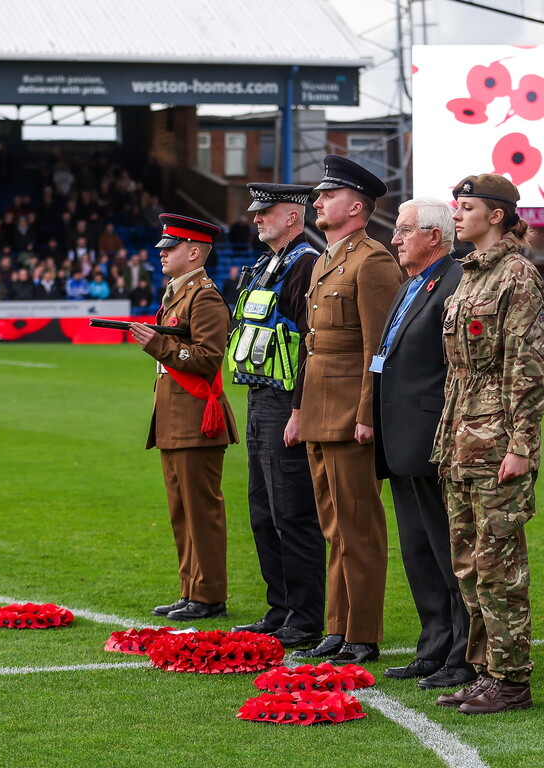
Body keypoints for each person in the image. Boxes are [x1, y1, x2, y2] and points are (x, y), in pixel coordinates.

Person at [433, 173, 544, 716]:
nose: (456, 215)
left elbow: (527, 368)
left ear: (497, 215)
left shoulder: (516, 277)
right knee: (467, 564)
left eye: (466, 207)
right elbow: (459, 372)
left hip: (498, 442)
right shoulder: (469, 277)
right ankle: (485, 672)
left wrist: (521, 446)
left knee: (498, 566)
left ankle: (511, 678)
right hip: (460, 440)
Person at [293, 155, 403, 665]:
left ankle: (362, 631)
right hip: (320, 413)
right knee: (334, 527)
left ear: (355, 206)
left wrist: (368, 415)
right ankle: (337, 628)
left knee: (358, 527)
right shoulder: (326, 258)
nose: (317, 202)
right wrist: (302, 412)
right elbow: (317, 347)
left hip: (350, 418)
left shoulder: (374, 261)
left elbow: (377, 350)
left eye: (327, 195)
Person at [373, 197, 473, 691]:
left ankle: (461, 653)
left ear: (434, 236)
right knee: (417, 548)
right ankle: (433, 645)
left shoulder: (454, 281)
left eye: (404, 229)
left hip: (432, 438)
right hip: (401, 438)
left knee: (446, 547)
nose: (395, 238)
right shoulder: (413, 282)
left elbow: (455, 365)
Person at [227, 183, 325, 649]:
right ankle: (280, 607)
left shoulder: (305, 264)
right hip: (259, 396)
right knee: (263, 512)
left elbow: (311, 343)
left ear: (292, 216)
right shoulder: (269, 264)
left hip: (285, 402)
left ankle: (304, 617)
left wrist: (300, 409)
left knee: (292, 512)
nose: (256, 219)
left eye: (265, 213)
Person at [130, 214, 239, 622]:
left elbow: (210, 358)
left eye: (169, 247)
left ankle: (209, 594)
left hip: (196, 419)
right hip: (177, 419)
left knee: (200, 511)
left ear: (194, 253)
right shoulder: (178, 294)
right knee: (181, 511)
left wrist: (158, 345)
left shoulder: (204, 296)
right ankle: (191, 589)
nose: (161, 253)